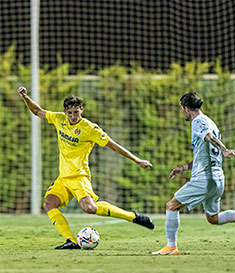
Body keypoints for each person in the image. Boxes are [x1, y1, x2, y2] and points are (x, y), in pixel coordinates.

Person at [17, 86, 154, 250]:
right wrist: (25, 97)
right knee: (49, 203)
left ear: (81, 110)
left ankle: (132, 217)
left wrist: (137, 160)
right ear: (65, 112)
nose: (73, 116)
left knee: (90, 208)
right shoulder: (59, 119)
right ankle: (70, 240)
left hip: (79, 177)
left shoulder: (90, 128)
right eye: (70, 113)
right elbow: (37, 111)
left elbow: (112, 145)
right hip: (63, 178)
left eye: (76, 112)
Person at [153, 92, 235, 255]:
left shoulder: (198, 121)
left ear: (186, 108)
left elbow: (208, 137)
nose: (182, 113)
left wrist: (225, 150)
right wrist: (183, 168)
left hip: (204, 179)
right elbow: (205, 154)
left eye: (182, 109)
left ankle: (171, 246)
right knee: (213, 218)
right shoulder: (211, 122)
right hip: (217, 178)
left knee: (171, 206)